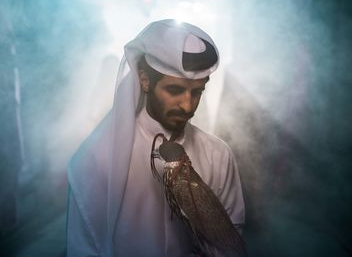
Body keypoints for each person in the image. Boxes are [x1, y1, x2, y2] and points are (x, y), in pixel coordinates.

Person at [67, 19, 245, 257]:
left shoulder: (217, 155)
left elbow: (230, 244)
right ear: (145, 80)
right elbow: (85, 249)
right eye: (174, 90)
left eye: (197, 92)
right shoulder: (97, 157)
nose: (187, 104)